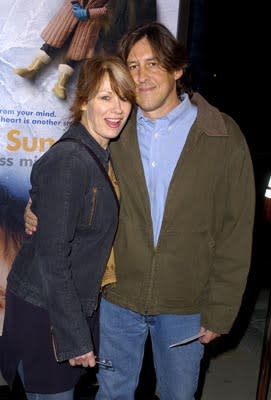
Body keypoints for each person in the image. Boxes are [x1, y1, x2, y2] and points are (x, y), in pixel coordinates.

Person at [25, 22, 255, 400]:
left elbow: (236, 230)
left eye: (153, 64)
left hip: (187, 304)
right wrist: (36, 207)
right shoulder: (115, 126)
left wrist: (222, 308)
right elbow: (65, 170)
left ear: (177, 69)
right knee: (114, 393)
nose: (141, 76)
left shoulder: (222, 136)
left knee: (178, 396)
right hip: (118, 298)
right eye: (132, 66)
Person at [2, 54, 135, 399]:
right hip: (47, 314)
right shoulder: (73, 160)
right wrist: (75, 336)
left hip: (57, 308)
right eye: (106, 97)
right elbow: (53, 261)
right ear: (84, 101)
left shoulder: (96, 152)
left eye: (124, 97)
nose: (117, 108)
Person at [14, 0, 108, 100]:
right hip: (70, 12)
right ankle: (32, 69)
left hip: (91, 21)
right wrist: (75, 4)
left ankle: (60, 85)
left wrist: (90, 13)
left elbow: (112, 8)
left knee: (77, 51)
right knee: (54, 40)